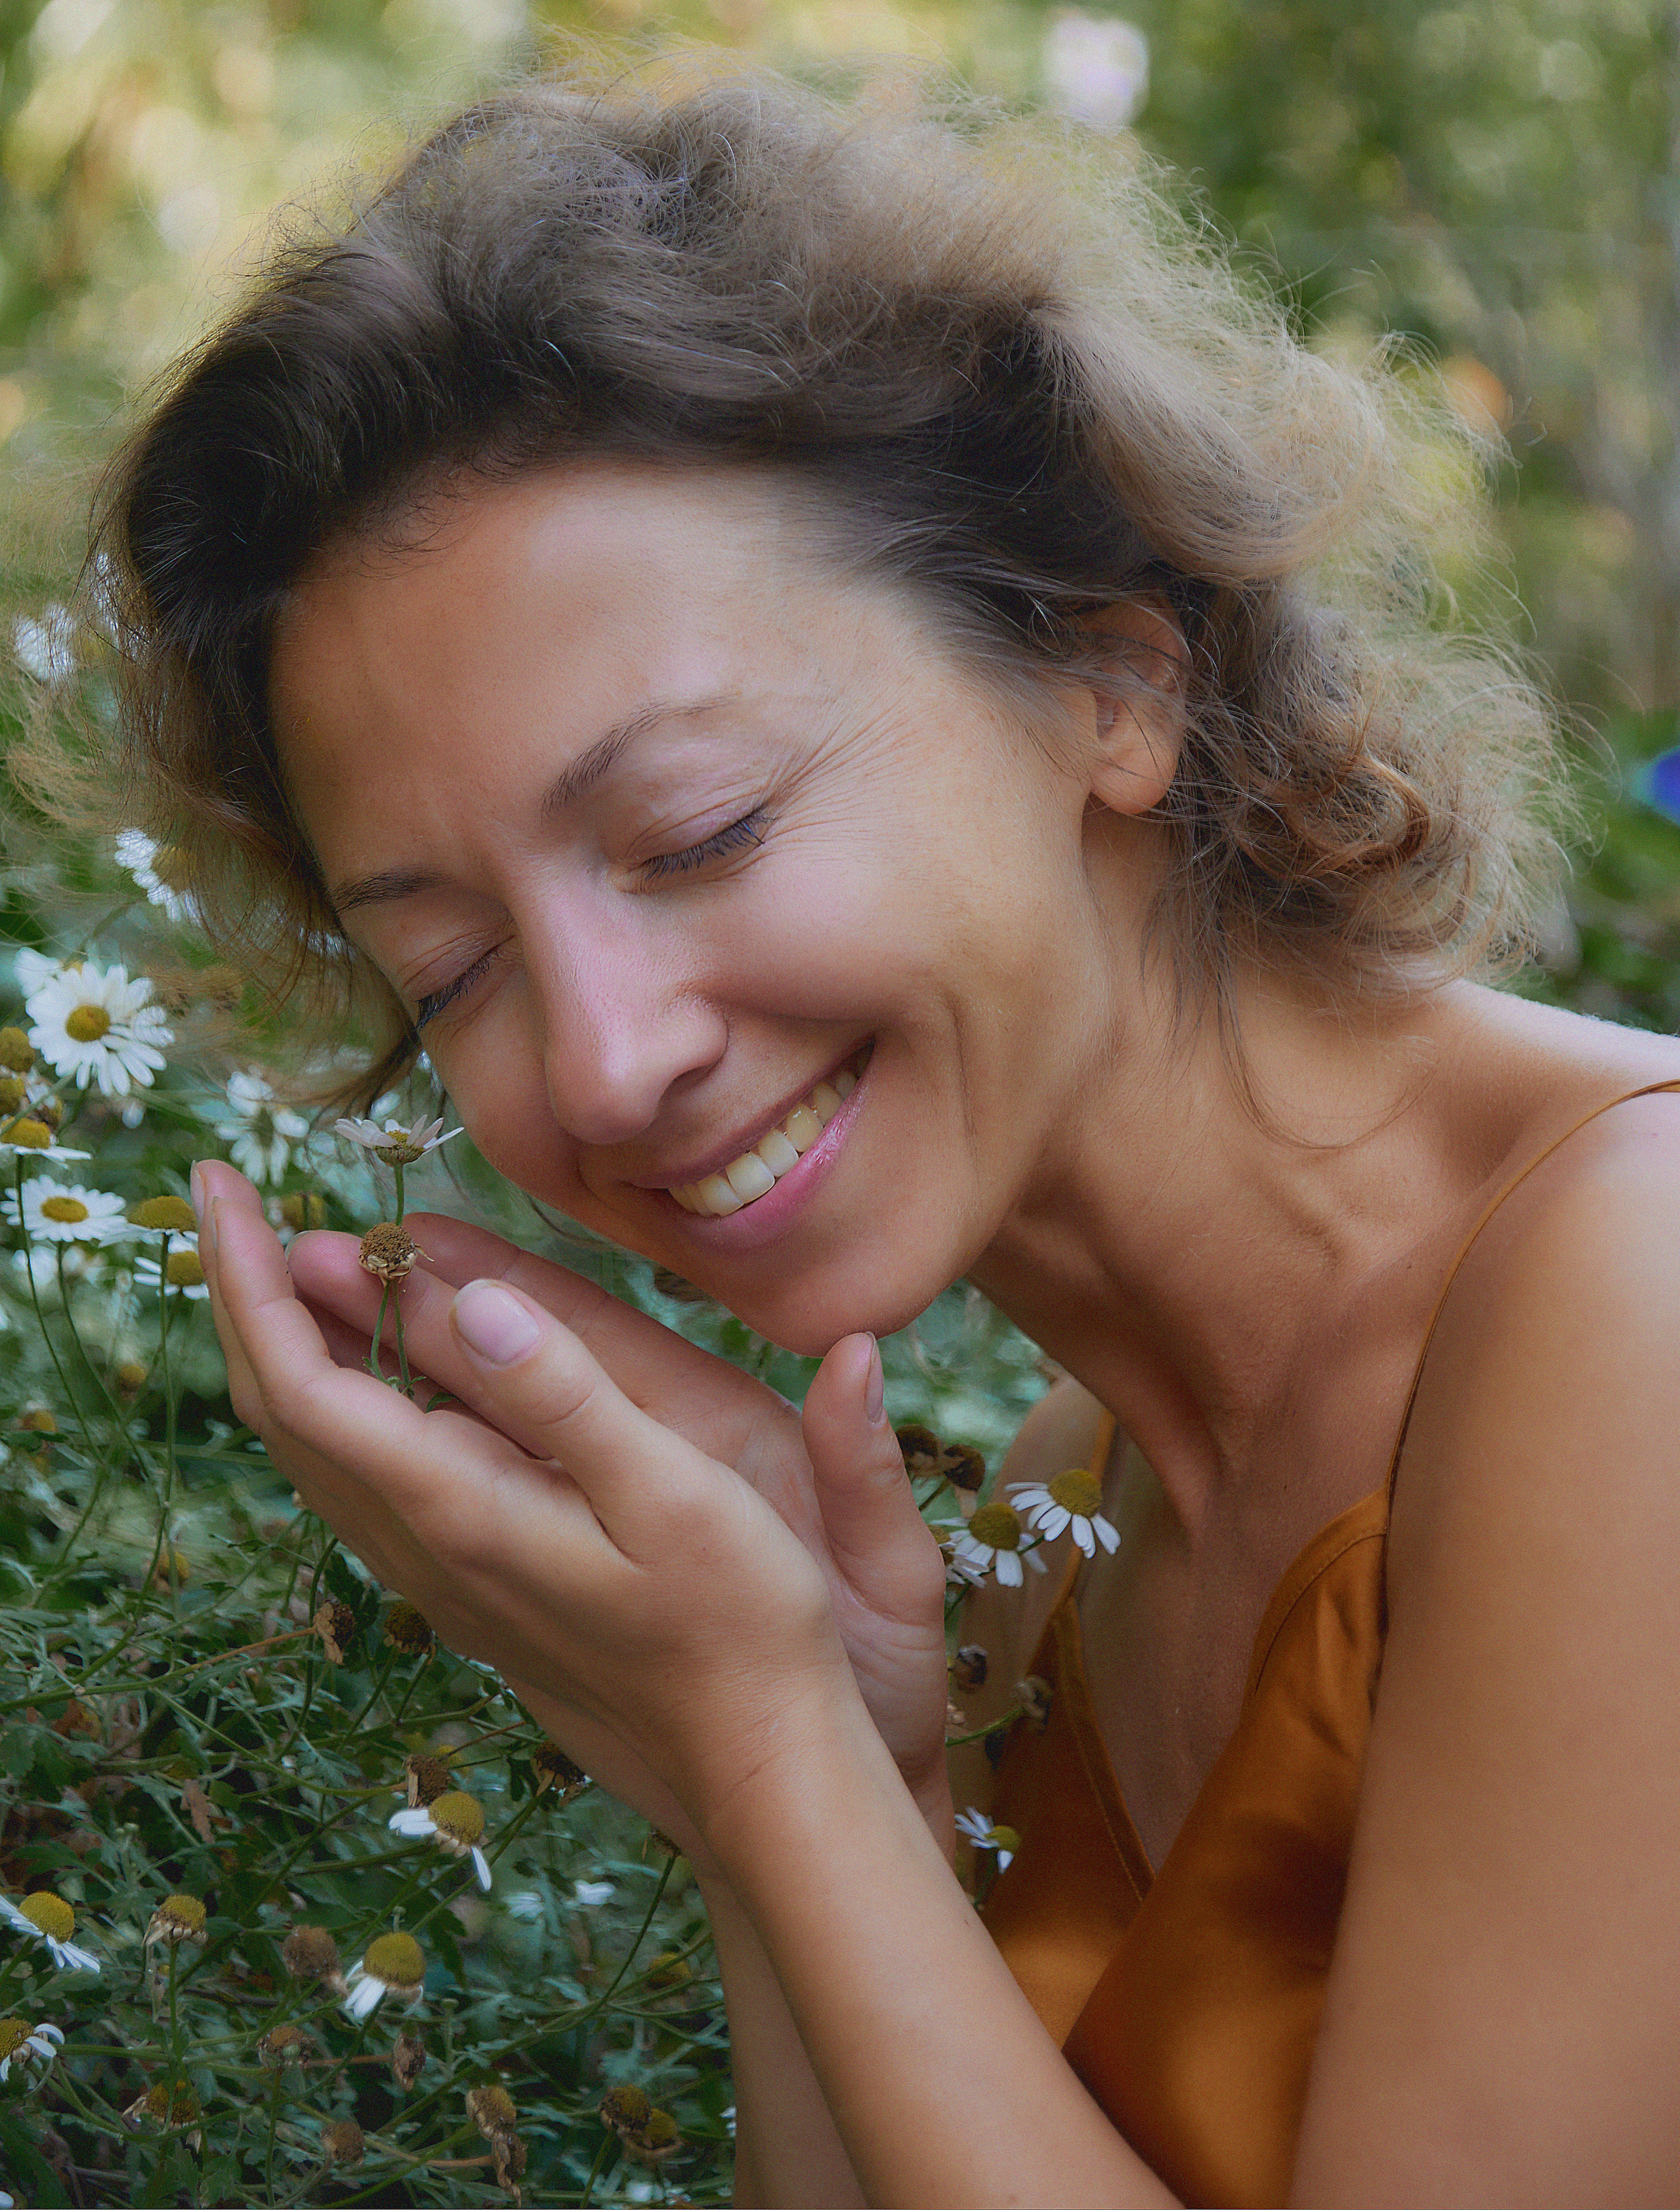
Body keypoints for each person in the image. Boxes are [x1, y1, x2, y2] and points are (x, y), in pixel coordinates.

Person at [79, 61, 1680, 2209]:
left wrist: (769, 1758)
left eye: (698, 828)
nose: (603, 1064)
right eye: (450, 970)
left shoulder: (1638, 1299)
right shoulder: (1047, 1534)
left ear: (1113, 685)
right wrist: (819, 1762)